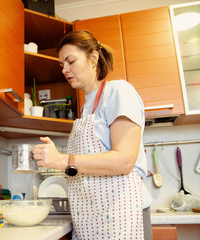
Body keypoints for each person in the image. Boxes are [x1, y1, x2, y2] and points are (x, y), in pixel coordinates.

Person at [33, 30, 152, 239]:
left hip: (121, 215)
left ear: (93, 58)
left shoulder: (118, 92)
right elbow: (83, 168)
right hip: (90, 218)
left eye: (71, 61)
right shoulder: (85, 109)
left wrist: (62, 160)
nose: (64, 70)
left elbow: (124, 161)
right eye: (62, 65)